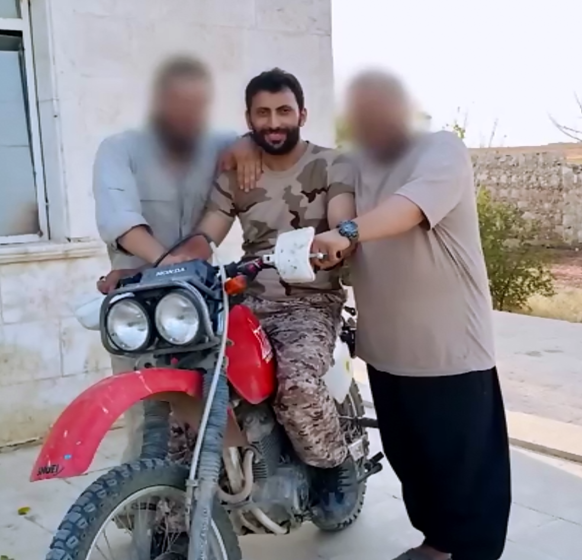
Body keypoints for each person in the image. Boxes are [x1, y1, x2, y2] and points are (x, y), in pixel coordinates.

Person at [311, 71, 512, 560]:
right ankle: (436, 546)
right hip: (386, 347)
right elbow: (339, 200)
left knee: (465, 471)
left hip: (448, 350)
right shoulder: (354, 161)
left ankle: (469, 553)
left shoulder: (441, 150)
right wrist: (339, 234)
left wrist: (349, 231)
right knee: (413, 461)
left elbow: (407, 209)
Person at [188, 68, 362, 525]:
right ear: (249, 118)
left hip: (310, 301)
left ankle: (336, 467)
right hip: (248, 300)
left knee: (297, 387)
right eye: (262, 113)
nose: (274, 122)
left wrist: (335, 243)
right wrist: (175, 264)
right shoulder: (237, 173)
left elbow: (343, 217)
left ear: (302, 113)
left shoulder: (333, 163)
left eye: (284, 110)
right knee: (192, 383)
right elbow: (208, 231)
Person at [93, 55, 259, 462]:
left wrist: (247, 146)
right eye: (177, 102)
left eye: (197, 103)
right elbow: (122, 221)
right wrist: (169, 267)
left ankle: (216, 499)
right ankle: (143, 514)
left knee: (215, 399)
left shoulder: (220, 145)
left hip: (200, 302)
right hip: (140, 307)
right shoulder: (119, 150)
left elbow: (261, 144)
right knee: (148, 416)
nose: (187, 113)